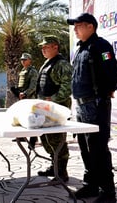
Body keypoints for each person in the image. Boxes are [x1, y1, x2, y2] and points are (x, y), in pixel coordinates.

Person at [67, 13, 117, 203]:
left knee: (98, 149)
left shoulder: (101, 46)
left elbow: (113, 71)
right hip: (82, 106)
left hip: (96, 105)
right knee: (85, 147)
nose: (75, 29)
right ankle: (91, 185)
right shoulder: (81, 48)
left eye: (78, 25)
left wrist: (108, 91)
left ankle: (108, 193)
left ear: (91, 26)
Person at [36, 36, 73, 183]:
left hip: (57, 109)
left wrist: (54, 99)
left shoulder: (62, 64)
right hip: (45, 108)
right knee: (46, 138)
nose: (43, 49)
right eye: (42, 47)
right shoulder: (47, 63)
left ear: (55, 47)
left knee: (57, 140)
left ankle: (62, 173)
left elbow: (68, 85)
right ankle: (54, 166)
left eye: (46, 46)